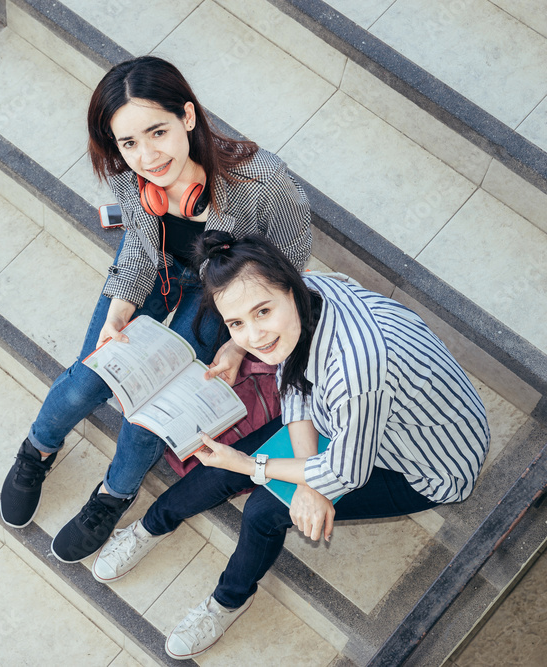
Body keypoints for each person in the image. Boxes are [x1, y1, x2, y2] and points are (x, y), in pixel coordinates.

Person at [90, 231, 490, 660]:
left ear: (290, 289)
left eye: (262, 312)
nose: (254, 336)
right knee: (226, 462)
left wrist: (259, 468)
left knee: (264, 508)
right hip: (357, 421)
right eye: (236, 323)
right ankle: (150, 527)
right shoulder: (312, 289)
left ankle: (228, 601)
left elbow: (345, 472)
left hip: (426, 463)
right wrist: (296, 467)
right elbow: (294, 380)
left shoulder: (355, 374)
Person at [0, 55, 313, 563]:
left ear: (188, 117)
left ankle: (114, 496)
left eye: (157, 132)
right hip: (157, 266)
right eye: (129, 143)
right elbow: (141, 249)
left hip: (220, 284)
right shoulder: (130, 176)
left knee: (150, 414)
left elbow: (293, 255)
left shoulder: (262, 182)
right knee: (87, 379)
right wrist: (120, 310)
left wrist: (236, 341)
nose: (147, 156)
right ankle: (37, 450)